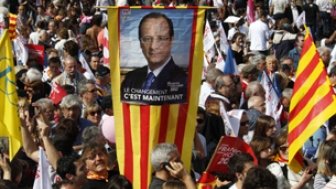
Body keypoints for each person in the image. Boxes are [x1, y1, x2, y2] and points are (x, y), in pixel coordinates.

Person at [121, 12, 187, 105]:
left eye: (161, 38)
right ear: (140, 43)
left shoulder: (183, 81)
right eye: (147, 39)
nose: (153, 46)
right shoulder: (130, 78)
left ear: (172, 40)